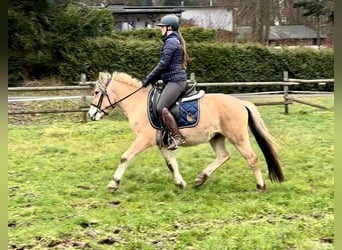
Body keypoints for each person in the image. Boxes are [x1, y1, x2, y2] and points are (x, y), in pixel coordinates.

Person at [143, 14, 189, 150]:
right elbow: (165, 66)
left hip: (176, 81)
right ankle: (165, 134)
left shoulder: (171, 42)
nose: (160, 29)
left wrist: (148, 79)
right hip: (171, 80)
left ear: (169, 28)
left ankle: (177, 136)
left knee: (160, 107)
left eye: (162, 27)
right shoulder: (173, 41)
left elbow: (162, 65)